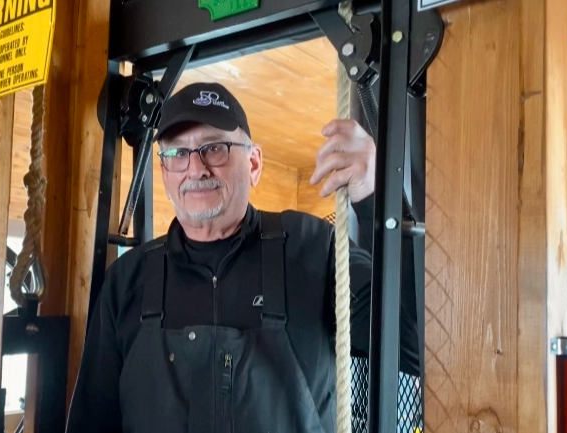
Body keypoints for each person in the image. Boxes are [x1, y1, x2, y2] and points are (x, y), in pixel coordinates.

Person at [66, 82, 419, 433]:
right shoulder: (128, 278)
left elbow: (416, 346)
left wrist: (376, 198)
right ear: (163, 171)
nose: (196, 169)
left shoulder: (313, 249)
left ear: (253, 163)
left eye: (214, 148)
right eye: (177, 153)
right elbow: (92, 422)